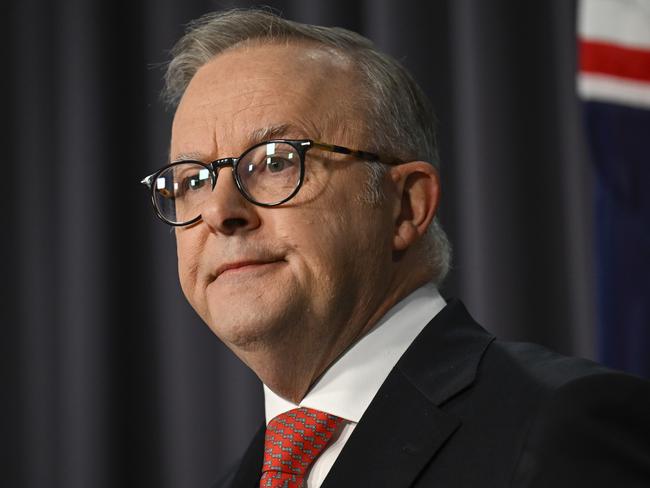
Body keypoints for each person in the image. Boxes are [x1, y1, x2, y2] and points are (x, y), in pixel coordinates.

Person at [141, 8, 650, 488]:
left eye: (275, 162)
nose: (219, 211)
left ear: (406, 206)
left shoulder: (561, 426)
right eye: (192, 180)